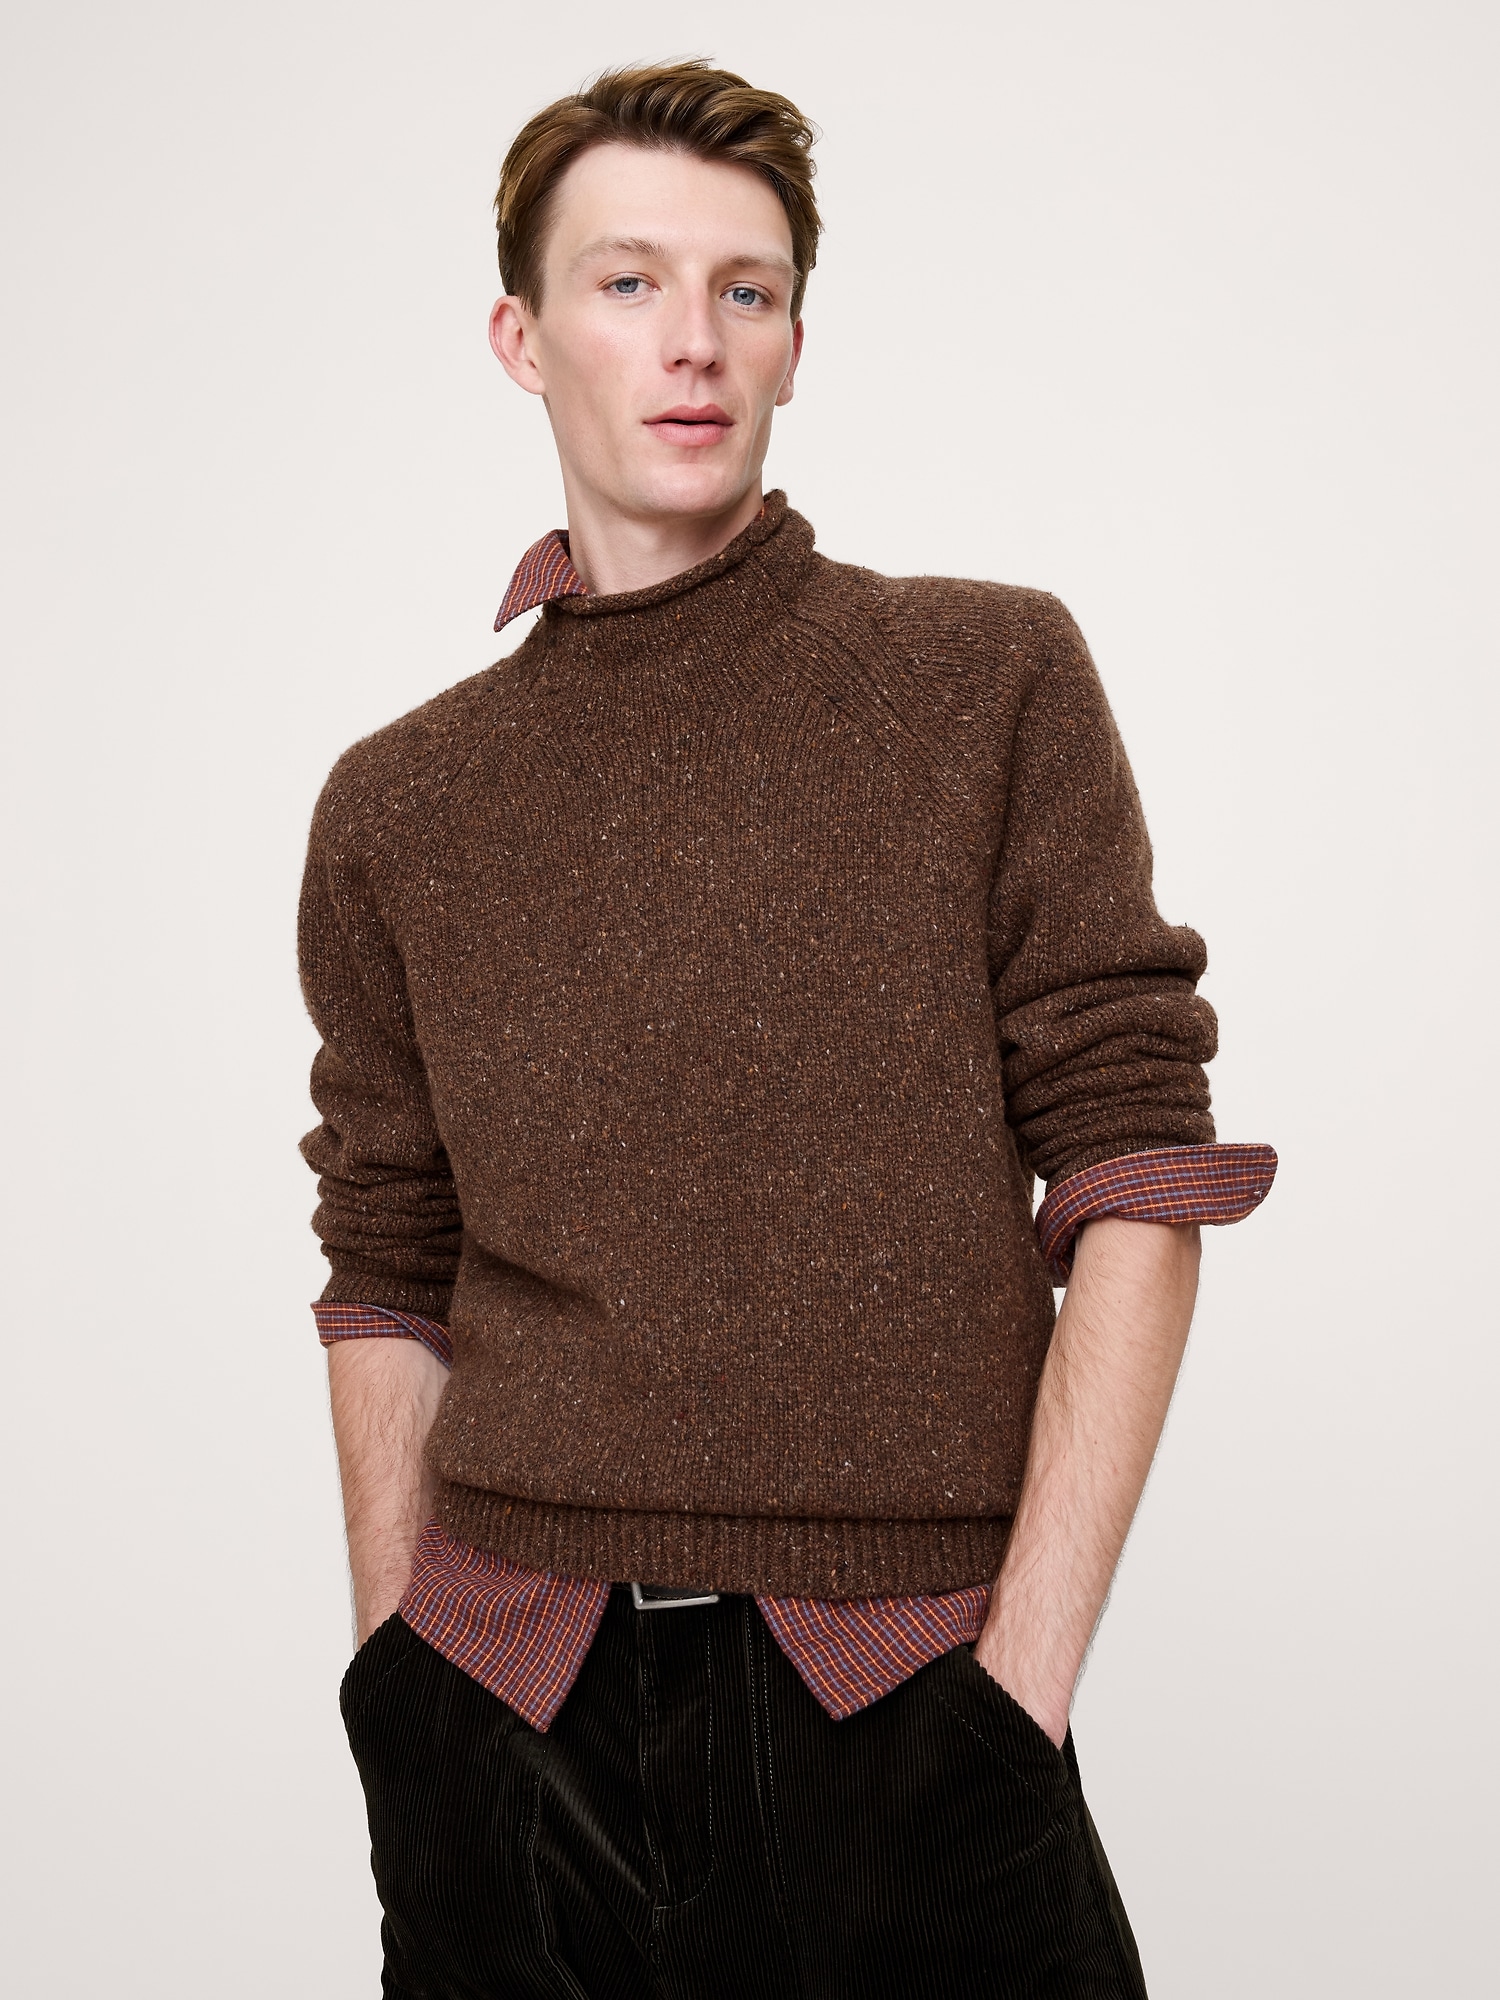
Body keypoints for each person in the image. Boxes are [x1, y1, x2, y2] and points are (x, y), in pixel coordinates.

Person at [298, 58, 1275, 2000]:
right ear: (521, 337)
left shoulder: (984, 679)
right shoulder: (401, 804)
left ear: (796, 345)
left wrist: (1018, 1694)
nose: (693, 340)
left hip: (903, 1697)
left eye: (744, 291)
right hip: (509, 1706)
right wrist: (402, 1686)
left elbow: (1134, 1171)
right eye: (629, 282)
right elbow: (388, 1261)